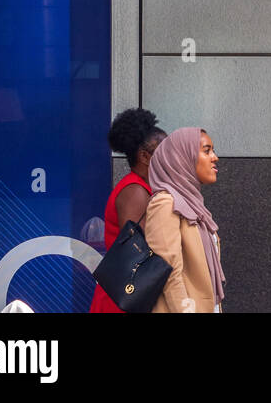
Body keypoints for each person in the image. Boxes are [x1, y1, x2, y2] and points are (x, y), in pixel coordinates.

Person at [89, 107, 168, 314]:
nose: (172, 156)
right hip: (126, 299)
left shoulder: (142, 187)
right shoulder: (135, 191)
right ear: (144, 156)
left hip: (131, 296)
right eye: (166, 150)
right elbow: (139, 252)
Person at [145, 126, 225, 313]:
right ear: (182, 158)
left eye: (213, 150)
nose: (215, 157)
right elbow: (168, 273)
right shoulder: (165, 203)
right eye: (207, 151)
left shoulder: (194, 206)